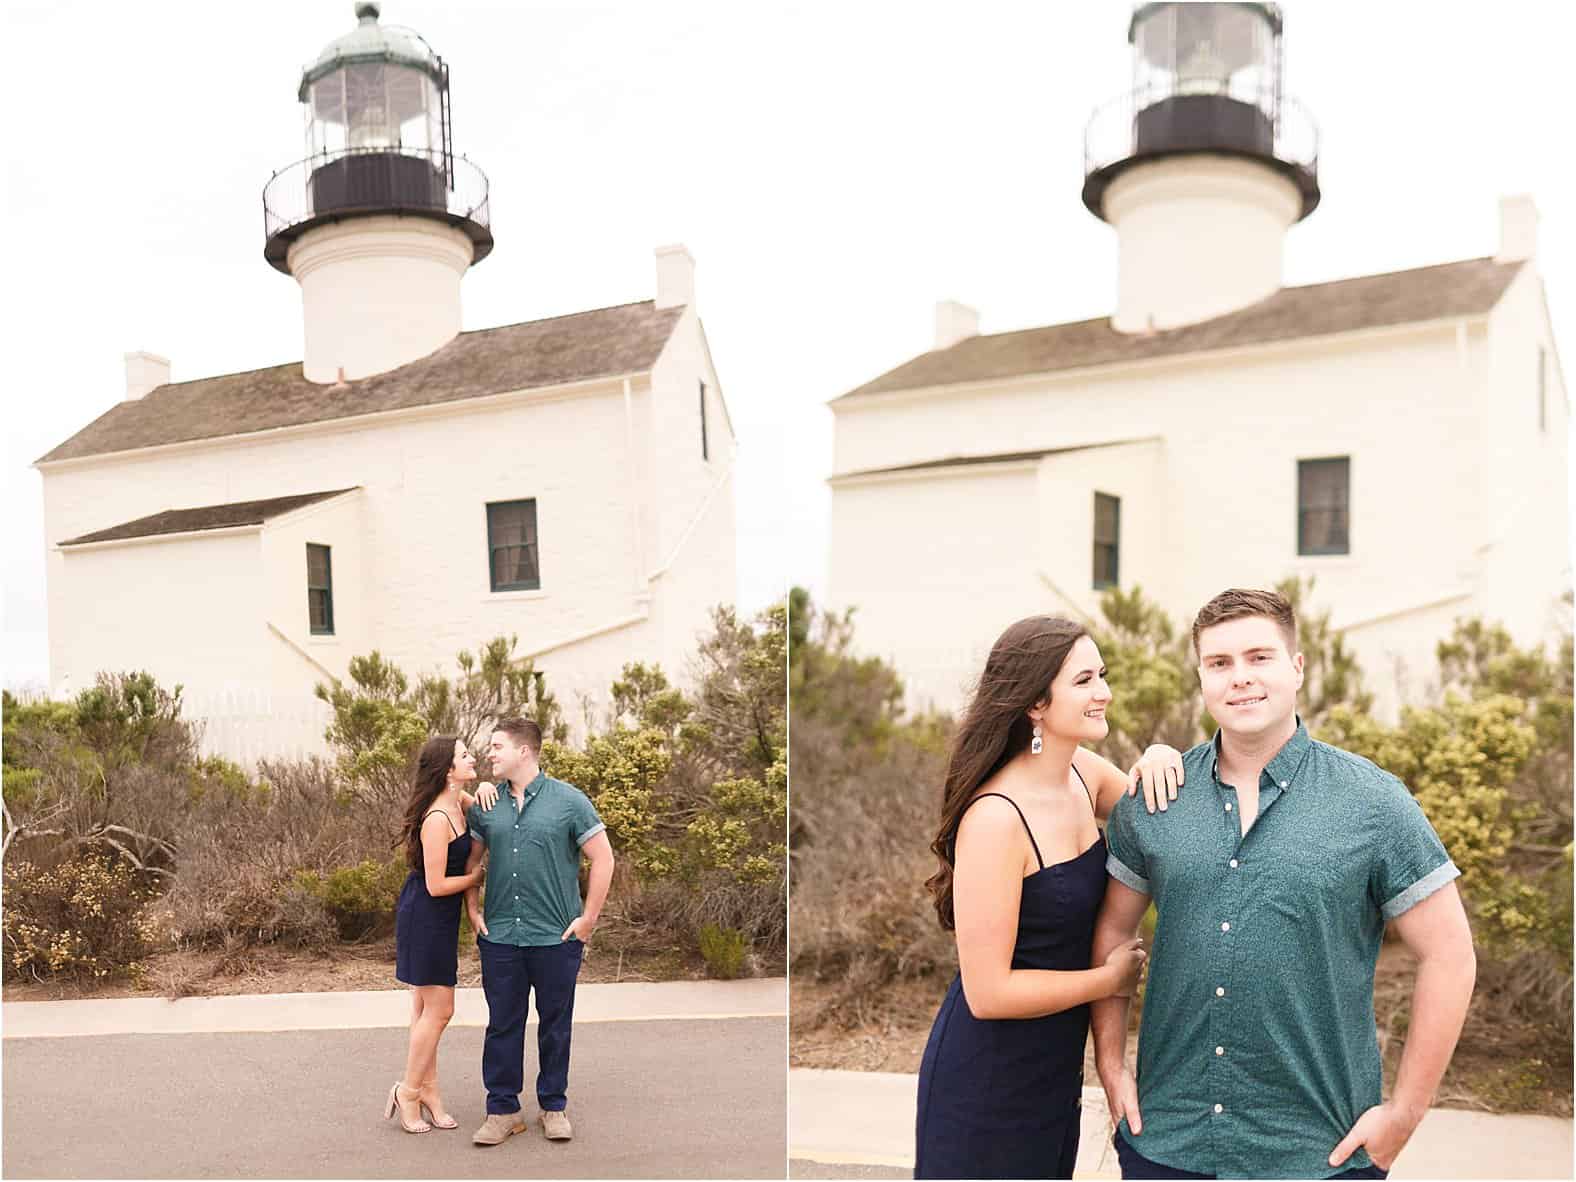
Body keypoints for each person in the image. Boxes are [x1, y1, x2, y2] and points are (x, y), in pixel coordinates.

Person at [1092, 588, 1476, 1180]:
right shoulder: (1156, 798)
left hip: (1320, 1152)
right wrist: (1111, 1066)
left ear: (1297, 668)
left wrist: (1405, 1113)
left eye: (1259, 657)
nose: (1240, 678)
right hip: (1169, 1143)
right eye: (1220, 663)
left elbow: (1449, 954)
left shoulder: (1372, 802)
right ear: (1201, 678)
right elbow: (1113, 932)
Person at [914, 615, 1187, 1180]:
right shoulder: (996, 818)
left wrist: (1161, 753)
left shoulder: (1082, 775)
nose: (1104, 692)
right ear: (1036, 704)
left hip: (1053, 1075)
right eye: (1084, 680)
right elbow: (987, 993)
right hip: (986, 1085)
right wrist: (1108, 982)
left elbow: (1153, 806)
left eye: (1102, 675)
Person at [464, 716, 615, 1147]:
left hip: (556, 937)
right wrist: (472, 908)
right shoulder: (486, 804)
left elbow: (603, 859)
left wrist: (588, 919)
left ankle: (553, 1106)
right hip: (500, 939)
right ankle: (503, 1111)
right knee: (502, 1025)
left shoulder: (569, 801)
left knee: (555, 1025)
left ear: (524, 751)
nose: (489, 754)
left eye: (497, 746)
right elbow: (472, 863)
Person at [385, 735, 489, 1134]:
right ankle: (407, 1091)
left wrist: (482, 788)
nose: (472, 757)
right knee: (440, 1010)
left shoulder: (457, 803)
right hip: (425, 916)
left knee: (424, 1010)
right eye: (464, 756)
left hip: (440, 920)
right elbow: (434, 884)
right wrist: (476, 877)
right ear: (448, 769)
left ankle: (429, 1091)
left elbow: (480, 804)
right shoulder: (436, 819)